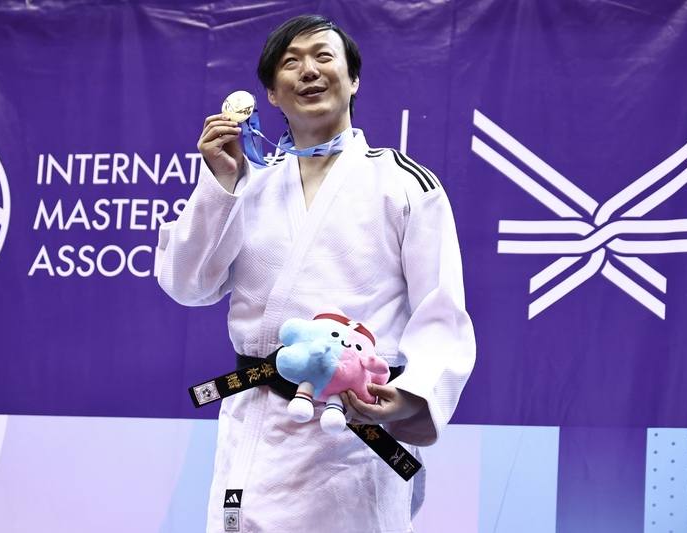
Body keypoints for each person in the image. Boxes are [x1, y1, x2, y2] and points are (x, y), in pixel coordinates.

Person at [157, 14, 475, 533]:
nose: (309, 71)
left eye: (324, 57)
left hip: (349, 427)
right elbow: (188, 285)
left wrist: (410, 395)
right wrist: (219, 183)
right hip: (255, 426)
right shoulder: (248, 183)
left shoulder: (401, 183)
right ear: (271, 95)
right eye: (291, 62)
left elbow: (442, 310)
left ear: (353, 80)